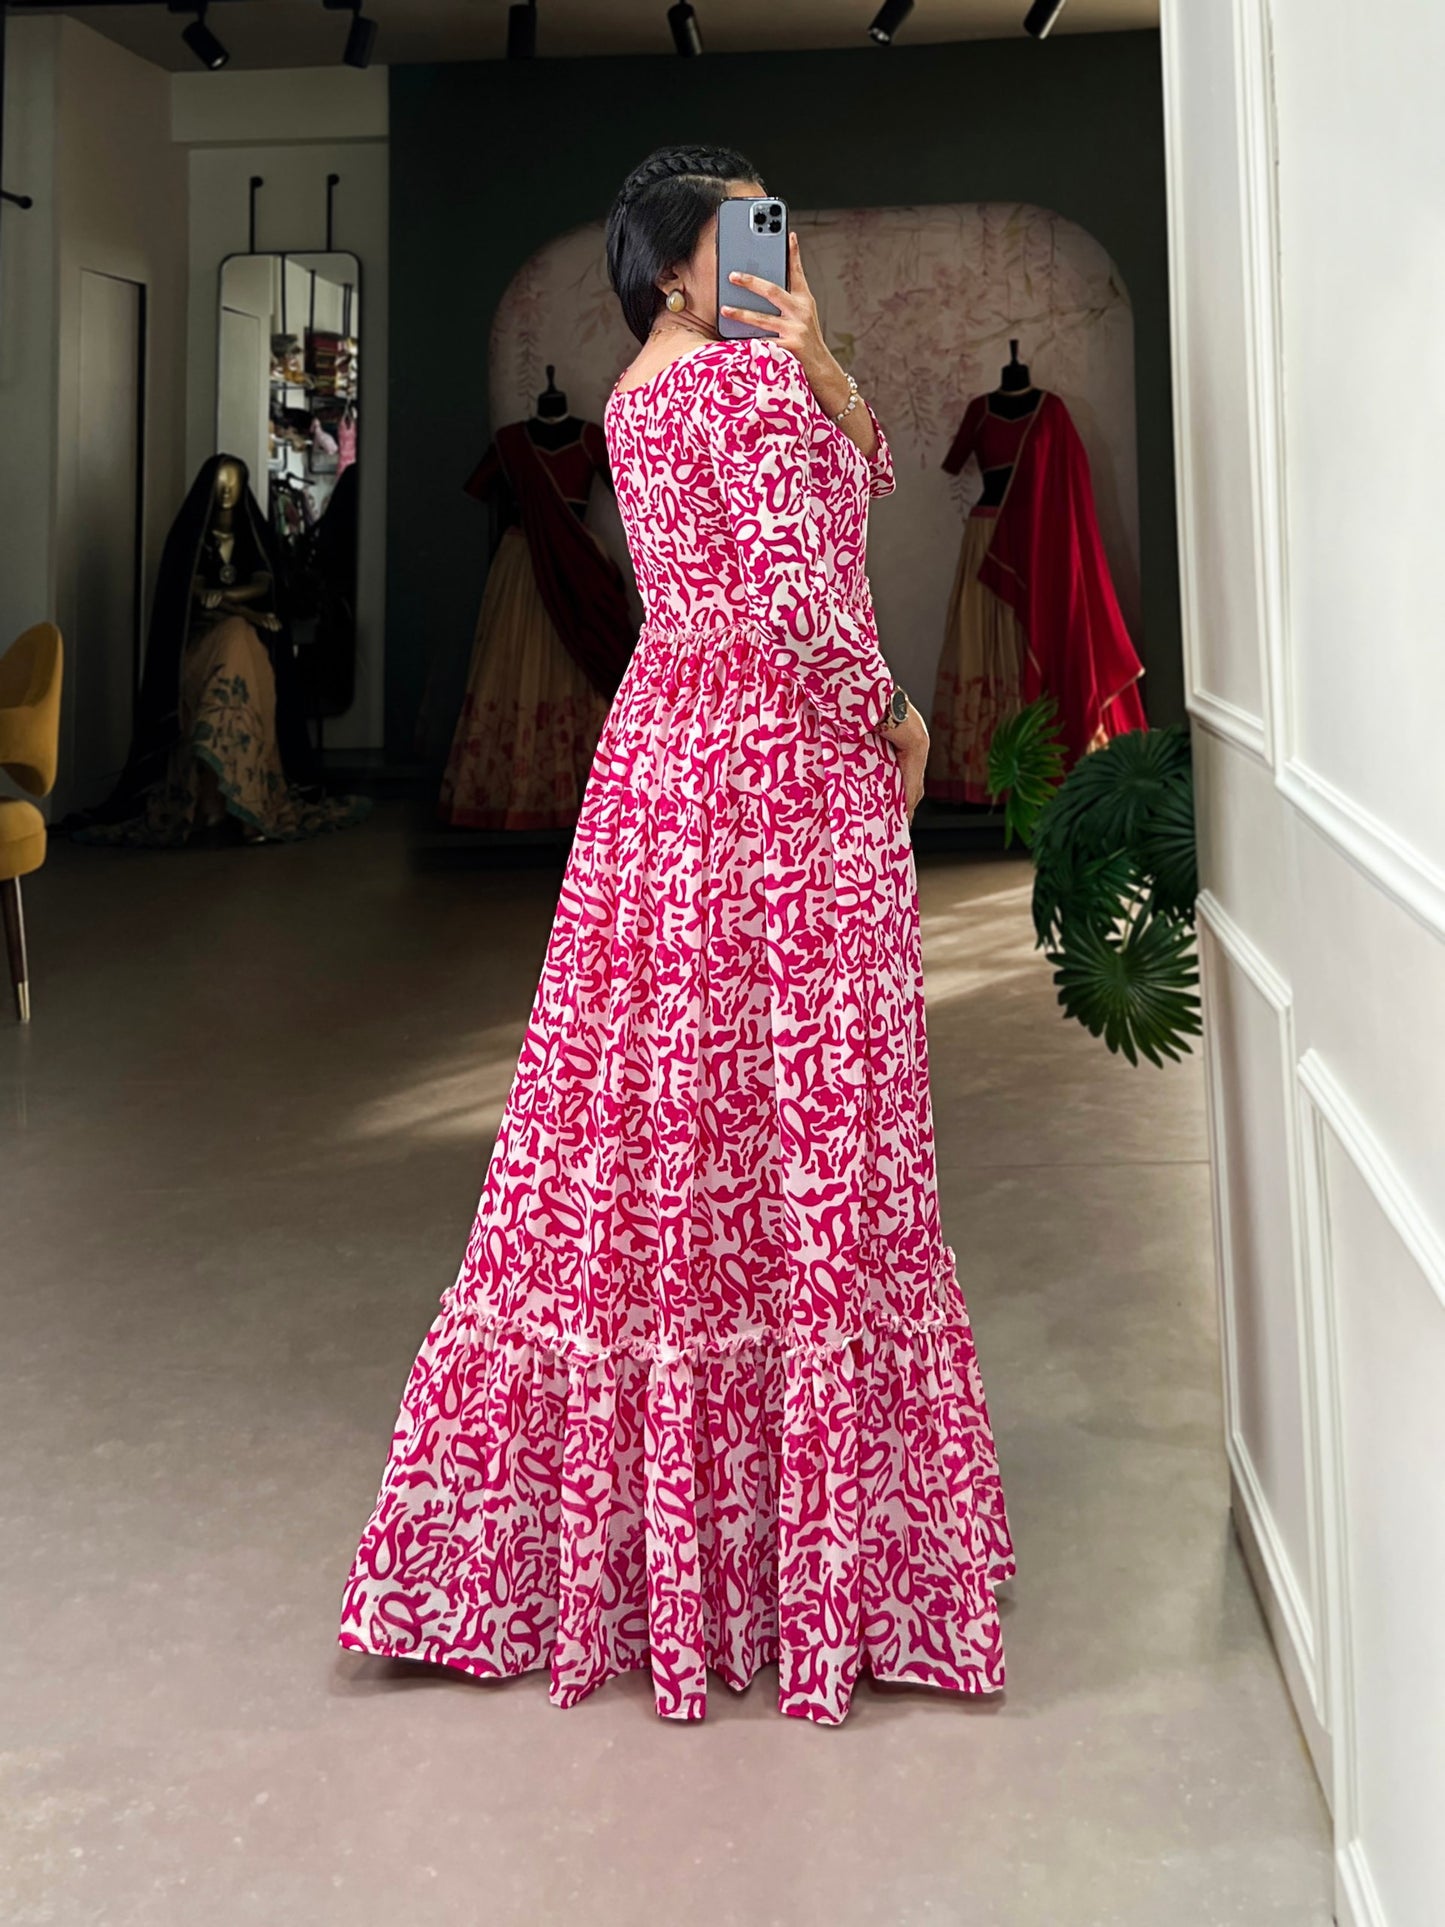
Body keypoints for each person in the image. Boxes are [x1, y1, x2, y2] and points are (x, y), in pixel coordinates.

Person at [338, 145, 1015, 1725]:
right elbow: (802, 595)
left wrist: (825, 361)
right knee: (810, 1128)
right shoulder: (745, 389)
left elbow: (857, 478)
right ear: (673, 265)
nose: (776, 248)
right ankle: (820, 1564)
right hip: (783, 779)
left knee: (646, 1136)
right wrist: (897, 715)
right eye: (745, 232)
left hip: (659, 775)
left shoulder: (645, 395)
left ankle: (613, 1550)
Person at [70, 453, 368, 847]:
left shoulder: (251, 539)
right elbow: (190, 595)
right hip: (201, 647)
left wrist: (232, 606)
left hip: (243, 647)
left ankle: (231, 802)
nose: (226, 490)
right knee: (231, 651)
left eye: (233, 481)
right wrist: (248, 612)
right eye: (220, 482)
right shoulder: (191, 542)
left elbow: (262, 583)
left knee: (239, 651)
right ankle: (216, 800)